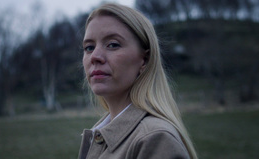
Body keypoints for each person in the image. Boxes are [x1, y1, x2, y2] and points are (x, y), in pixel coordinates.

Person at [78, 3, 198, 159]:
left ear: (145, 60)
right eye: (89, 47)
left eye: (113, 45)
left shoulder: (154, 139)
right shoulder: (100, 134)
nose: (95, 56)